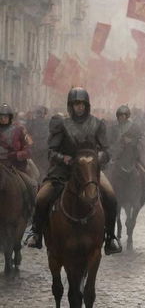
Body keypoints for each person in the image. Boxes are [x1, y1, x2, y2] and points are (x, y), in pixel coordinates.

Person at [23, 88, 122, 254]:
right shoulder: (62, 125)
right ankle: (36, 233)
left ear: (87, 105)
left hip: (90, 171)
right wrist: (63, 158)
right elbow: (51, 151)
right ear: (71, 105)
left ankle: (110, 238)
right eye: (76, 104)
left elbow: (106, 149)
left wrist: (99, 157)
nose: (80, 107)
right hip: (64, 171)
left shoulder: (97, 124)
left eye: (82, 104)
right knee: (41, 197)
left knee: (111, 197)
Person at [111, 105, 145, 205]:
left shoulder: (134, 127)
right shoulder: (114, 128)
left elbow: (141, 141)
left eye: (124, 115)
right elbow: (109, 141)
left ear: (127, 116)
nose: (122, 117)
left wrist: (131, 142)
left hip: (132, 156)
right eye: (120, 115)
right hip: (117, 156)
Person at [0, 103, 37, 208]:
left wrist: (18, 154)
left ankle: (32, 211)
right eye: (1, 117)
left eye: (5, 116)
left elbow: (30, 147)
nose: (3, 119)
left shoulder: (20, 130)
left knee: (31, 185)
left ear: (10, 117)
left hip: (15, 167)